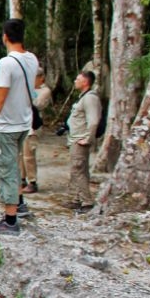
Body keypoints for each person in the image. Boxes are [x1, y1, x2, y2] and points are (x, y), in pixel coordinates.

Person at [0, 19, 40, 234]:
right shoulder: (32, 59)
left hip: (7, 125)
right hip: (24, 122)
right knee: (14, 165)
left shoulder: (6, 63)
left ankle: (10, 220)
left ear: (5, 36)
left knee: (5, 169)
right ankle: (20, 204)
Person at [64, 70, 102, 212]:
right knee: (77, 169)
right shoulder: (83, 97)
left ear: (85, 82)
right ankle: (77, 198)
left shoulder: (90, 98)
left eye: (77, 79)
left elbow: (93, 121)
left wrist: (87, 138)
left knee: (78, 169)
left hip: (81, 139)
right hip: (75, 138)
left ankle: (87, 202)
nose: (75, 81)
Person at [20, 65, 53, 194]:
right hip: (22, 123)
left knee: (29, 155)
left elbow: (38, 104)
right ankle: (21, 178)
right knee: (20, 154)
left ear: (40, 78)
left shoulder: (45, 91)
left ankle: (32, 181)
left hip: (34, 124)